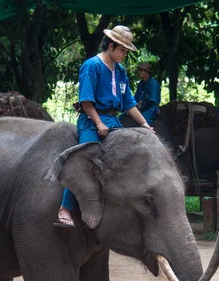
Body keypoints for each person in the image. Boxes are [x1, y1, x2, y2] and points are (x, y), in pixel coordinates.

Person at [55, 25, 154, 227]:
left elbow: (129, 104)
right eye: (123, 50)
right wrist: (98, 122)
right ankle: (64, 208)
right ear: (111, 46)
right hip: (91, 121)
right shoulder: (92, 66)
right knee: (86, 159)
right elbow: (86, 101)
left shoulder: (120, 71)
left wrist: (145, 124)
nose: (125, 54)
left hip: (113, 122)